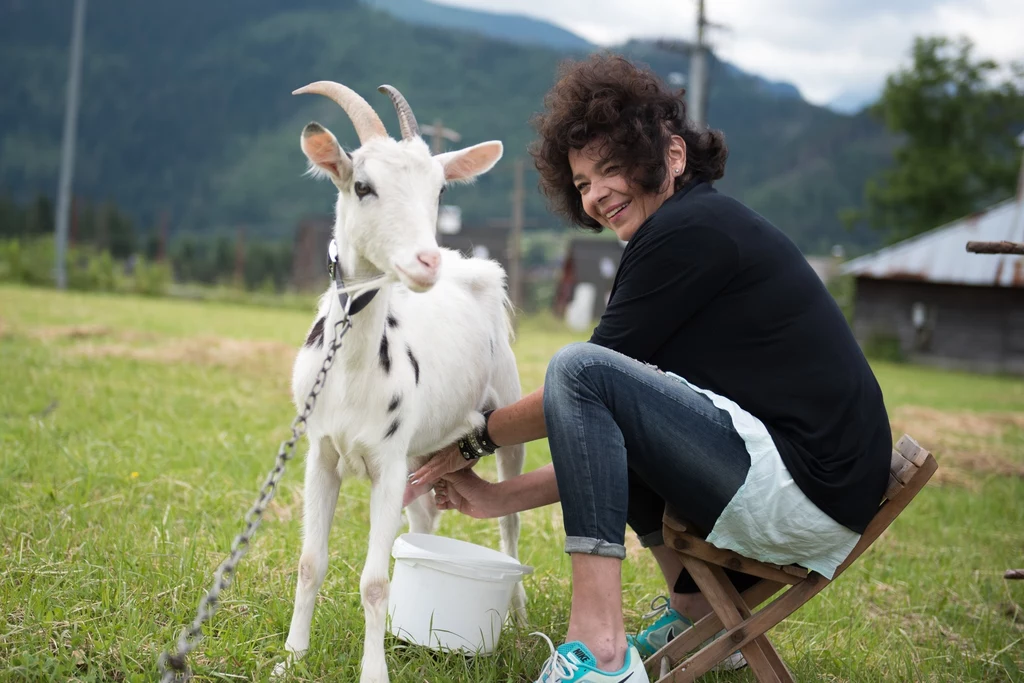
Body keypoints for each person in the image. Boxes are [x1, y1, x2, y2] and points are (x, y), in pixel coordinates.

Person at [402, 54, 891, 683]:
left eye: (611, 168)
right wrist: (498, 497)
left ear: (673, 155)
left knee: (580, 370)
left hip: (809, 487)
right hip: (817, 483)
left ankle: (602, 654)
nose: (598, 193)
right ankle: (696, 617)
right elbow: (601, 435)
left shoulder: (687, 231)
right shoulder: (688, 231)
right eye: (581, 182)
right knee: (606, 394)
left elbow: (577, 390)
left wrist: (473, 438)